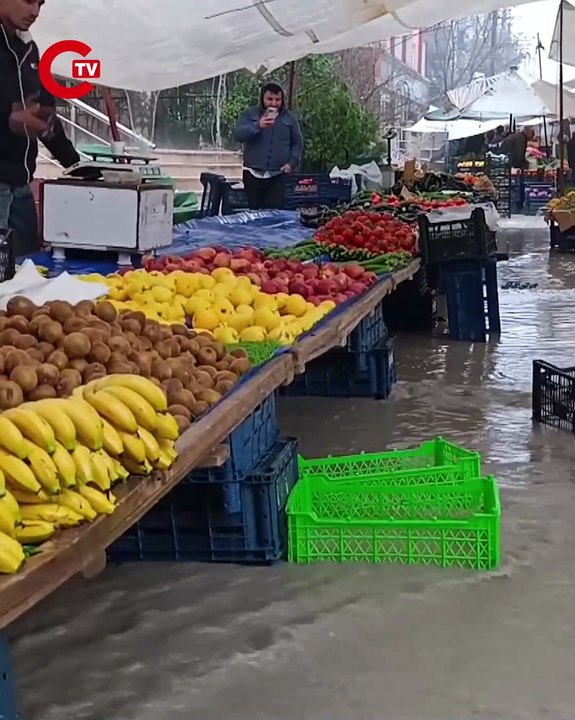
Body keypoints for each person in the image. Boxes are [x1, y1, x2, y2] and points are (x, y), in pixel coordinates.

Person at [0, 0, 80, 255]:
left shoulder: (29, 49)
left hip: (21, 186)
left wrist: (76, 165)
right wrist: (9, 118)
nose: (35, 11)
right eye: (28, 1)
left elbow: (46, 113)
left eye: (40, 3)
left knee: (29, 268)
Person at [233, 82, 303, 210]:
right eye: (270, 99)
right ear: (262, 98)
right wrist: (257, 126)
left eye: (277, 99)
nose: (274, 103)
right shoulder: (250, 114)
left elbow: (297, 143)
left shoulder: (290, 118)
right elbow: (238, 134)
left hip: (278, 174)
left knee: (274, 214)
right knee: (254, 213)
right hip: (252, 173)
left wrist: (292, 163)